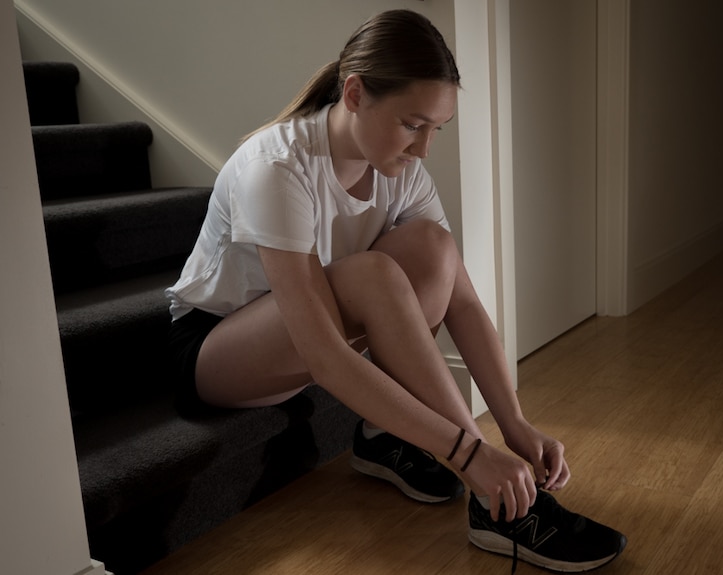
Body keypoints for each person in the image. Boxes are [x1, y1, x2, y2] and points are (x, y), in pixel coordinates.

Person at [166, 9, 626, 573]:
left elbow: (460, 300)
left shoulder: (401, 171)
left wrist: (514, 424)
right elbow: (327, 358)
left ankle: (383, 436)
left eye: (436, 129)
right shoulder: (277, 166)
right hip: (216, 352)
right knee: (372, 275)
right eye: (413, 125)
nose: (424, 149)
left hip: (307, 337)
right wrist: (470, 454)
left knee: (433, 249)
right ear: (355, 93)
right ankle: (494, 508)